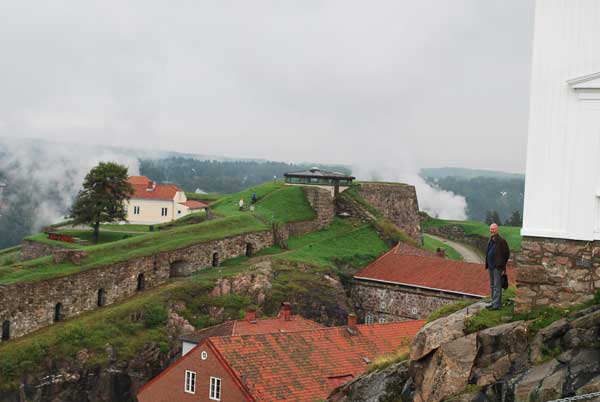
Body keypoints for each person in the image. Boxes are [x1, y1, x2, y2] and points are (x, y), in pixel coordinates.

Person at [485, 223, 510, 310]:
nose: (492, 230)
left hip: (497, 267)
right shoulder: (490, 240)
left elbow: (506, 254)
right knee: (492, 285)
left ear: (497, 230)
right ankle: (493, 302)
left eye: (494, 229)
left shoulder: (502, 241)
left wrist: (502, 266)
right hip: (491, 266)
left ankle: (496, 305)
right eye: (491, 229)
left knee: (497, 286)